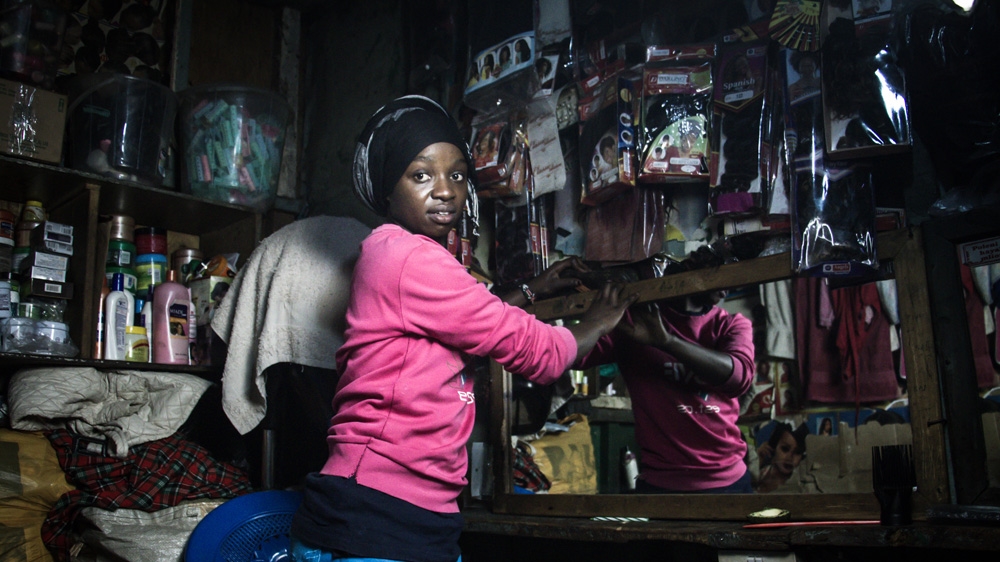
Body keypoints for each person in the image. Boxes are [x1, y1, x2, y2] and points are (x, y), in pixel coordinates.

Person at [289, 95, 637, 562]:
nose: (445, 190)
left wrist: (531, 290)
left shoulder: (393, 256)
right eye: (421, 175)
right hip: (376, 510)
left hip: (402, 508)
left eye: (456, 175)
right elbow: (533, 349)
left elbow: (462, 322)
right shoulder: (409, 255)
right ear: (387, 190)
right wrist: (593, 323)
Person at [576, 246, 756, 493]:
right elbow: (570, 355)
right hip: (660, 483)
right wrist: (587, 309)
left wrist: (667, 342)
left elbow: (739, 377)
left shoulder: (730, 325)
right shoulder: (636, 321)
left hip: (727, 480)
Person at [754, 421, 808, 493]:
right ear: (773, 447)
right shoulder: (761, 473)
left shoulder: (801, 484)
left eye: (797, 452)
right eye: (785, 449)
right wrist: (757, 462)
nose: (789, 457)